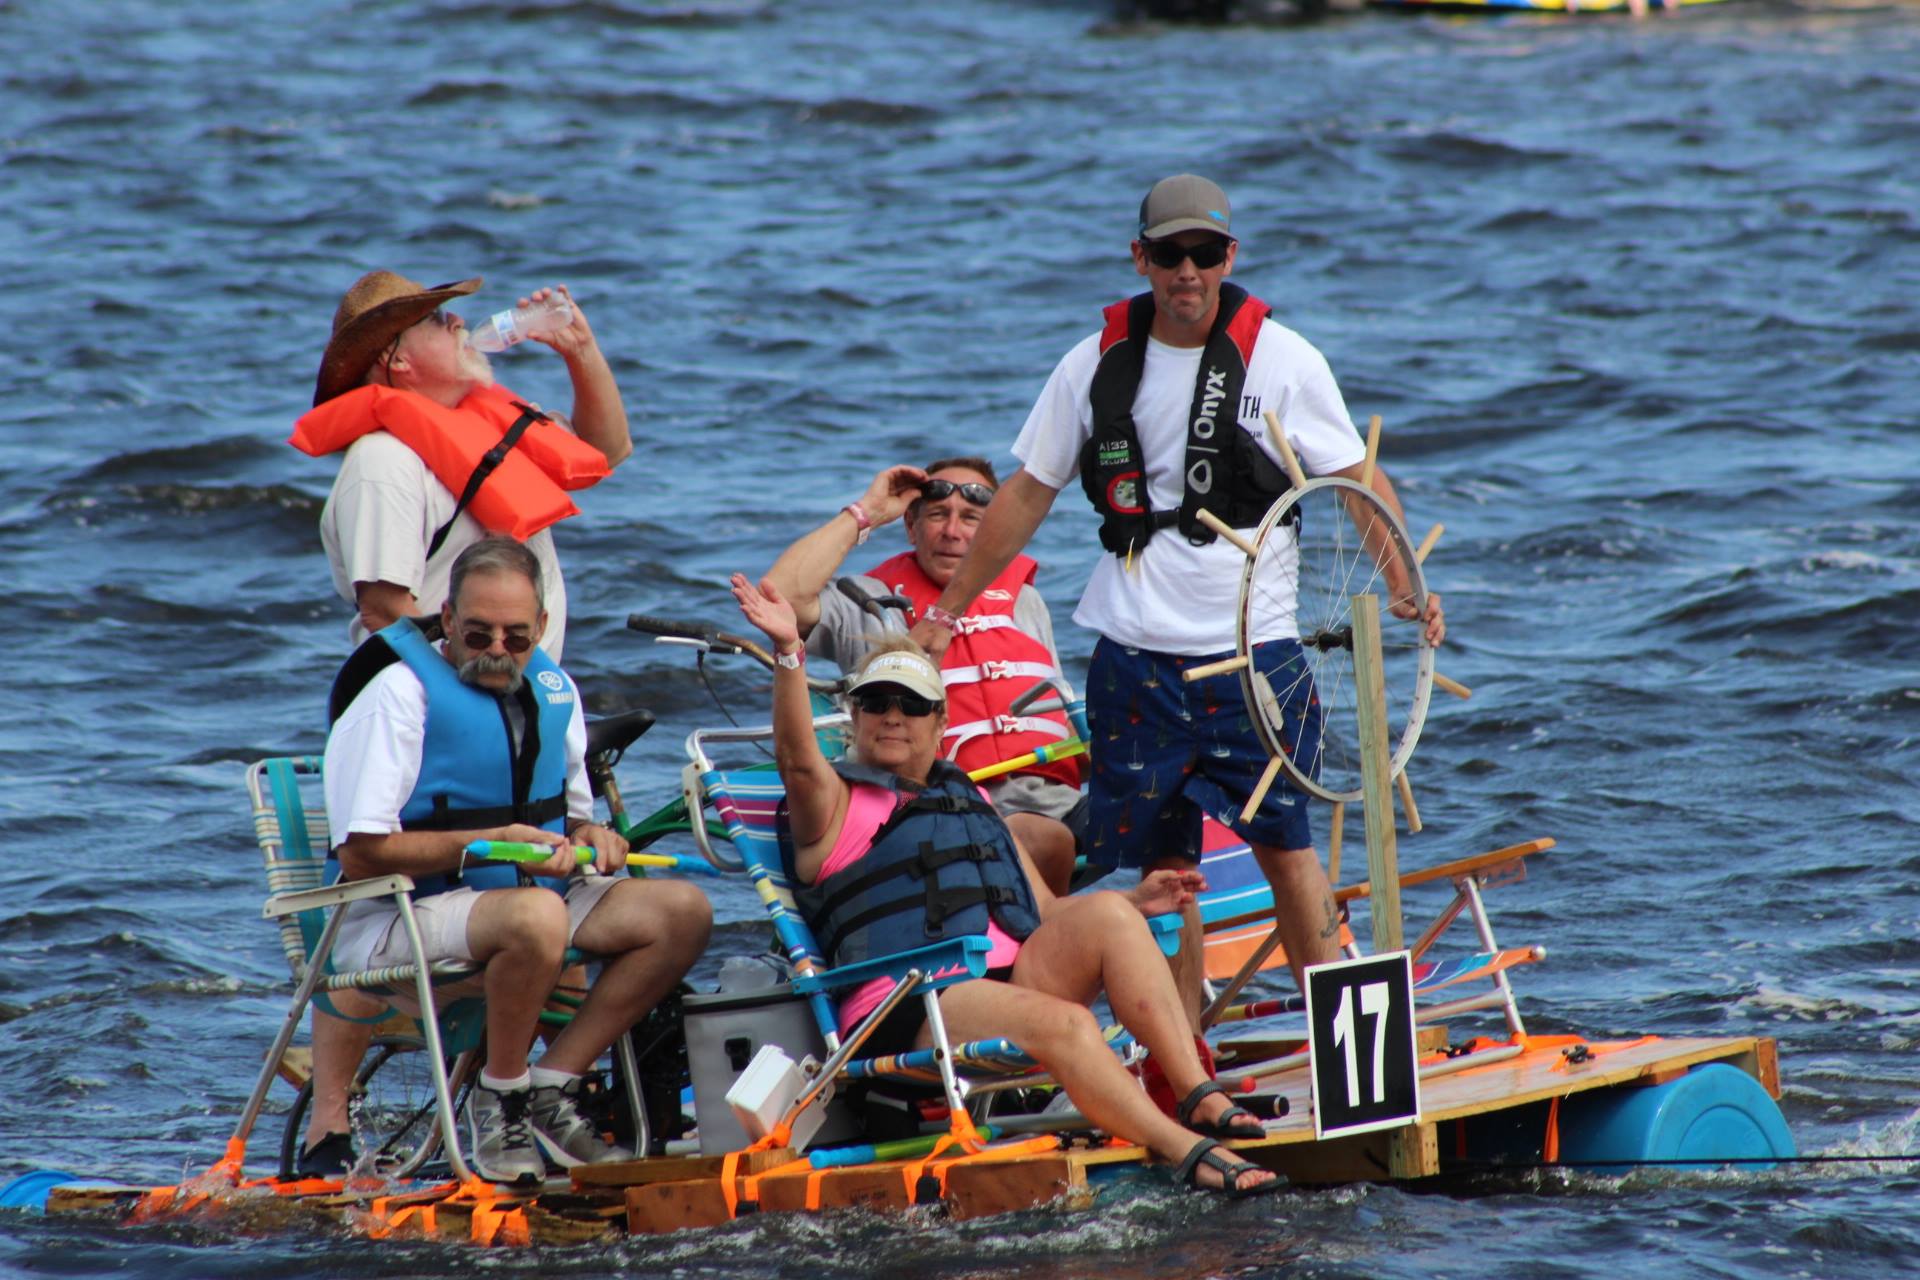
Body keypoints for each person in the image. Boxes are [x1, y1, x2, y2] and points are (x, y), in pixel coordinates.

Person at [907, 175, 1446, 1031]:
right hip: (1134, 661)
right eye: (1168, 254)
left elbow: (1357, 482)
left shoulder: (1287, 362)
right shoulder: (1093, 364)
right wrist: (949, 612)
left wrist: (1406, 584)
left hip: (1256, 657)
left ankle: (1345, 1052)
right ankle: (1188, 1068)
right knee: (1165, 876)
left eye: (1204, 254)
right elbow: (1026, 494)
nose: (1186, 272)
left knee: (1288, 851)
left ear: (1230, 257)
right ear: (1140, 258)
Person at [729, 574, 1282, 1197]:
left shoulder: (972, 801)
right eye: (876, 702)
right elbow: (797, 756)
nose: (892, 717)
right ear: (854, 716)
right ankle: (1185, 1148)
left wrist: (1135, 901)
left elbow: (1043, 911)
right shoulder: (830, 804)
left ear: (939, 725)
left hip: (1006, 979)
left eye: (911, 705)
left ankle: (1194, 1092)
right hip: (913, 999)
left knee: (1107, 914)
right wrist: (788, 654)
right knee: (1068, 1024)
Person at [288, 269, 632, 1176]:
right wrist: (465, 701)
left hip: (524, 691)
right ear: (398, 359)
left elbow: (607, 450)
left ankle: (515, 1088)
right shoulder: (385, 464)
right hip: (442, 695)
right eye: (440, 319)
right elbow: (385, 614)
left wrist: (578, 349)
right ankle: (332, 1124)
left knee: (572, 881)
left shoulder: (485, 422)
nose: (461, 322)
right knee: (413, 875)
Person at [323, 538, 711, 1184]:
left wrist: (597, 838)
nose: (498, 652)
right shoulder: (396, 695)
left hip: (529, 905)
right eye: (478, 637)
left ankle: (550, 1088)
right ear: (446, 620)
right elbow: (361, 852)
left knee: (682, 910)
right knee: (536, 917)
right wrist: (484, 841)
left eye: (516, 637)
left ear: (543, 628)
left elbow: (577, 817)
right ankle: (497, 1095)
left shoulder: (555, 693)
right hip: (397, 914)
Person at [761, 458, 1083, 896]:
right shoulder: (867, 602)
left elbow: (1056, 710)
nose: (953, 532)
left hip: (1058, 801)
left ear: (997, 531)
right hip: (948, 811)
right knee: (1038, 836)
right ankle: (1052, 944)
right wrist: (865, 513)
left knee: (1170, 809)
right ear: (911, 528)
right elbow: (780, 597)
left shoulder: (1025, 600)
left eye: (973, 519)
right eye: (937, 515)